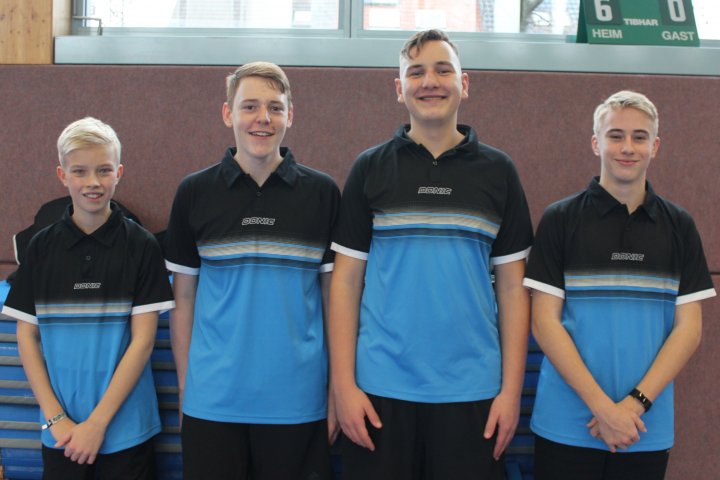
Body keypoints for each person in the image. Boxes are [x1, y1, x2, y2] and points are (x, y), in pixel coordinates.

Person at [329, 29, 533, 479]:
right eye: (416, 72)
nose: (430, 82)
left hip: (474, 392)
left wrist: (510, 392)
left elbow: (513, 290)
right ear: (398, 88)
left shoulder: (498, 171)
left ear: (465, 83)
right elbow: (345, 282)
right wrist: (343, 386)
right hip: (379, 390)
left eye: (443, 70)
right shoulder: (370, 168)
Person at [524, 90, 716, 480]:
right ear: (596, 143)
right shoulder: (560, 219)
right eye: (615, 135)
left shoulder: (679, 226)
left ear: (655, 146)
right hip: (565, 425)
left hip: (642, 429)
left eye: (639, 137)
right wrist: (603, 408)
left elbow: (689, 330)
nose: (627, 147)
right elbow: (544, 323)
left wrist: (632, 406)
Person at [164, 61, 340, 480]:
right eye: (250, 106)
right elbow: (183, 300)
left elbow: (334, 299)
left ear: (290, 116)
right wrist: (189, 390)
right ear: (228, 114)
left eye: (275, 107)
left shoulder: (323, 193)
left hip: (298, 403)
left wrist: (337, 391)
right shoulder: (194, 192)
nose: (263, 118)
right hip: (213, 403)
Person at [2, 117, 175, 479]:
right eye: (79, 171)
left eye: (104, 170)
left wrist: (97, 424)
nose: (92, 182)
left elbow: (142, 342)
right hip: (61, 434)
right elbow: (26, 336)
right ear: (62, 175)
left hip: (127, 432)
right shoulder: (41, 248)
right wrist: (56, 419)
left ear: (119, 173)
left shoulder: (141, 246)